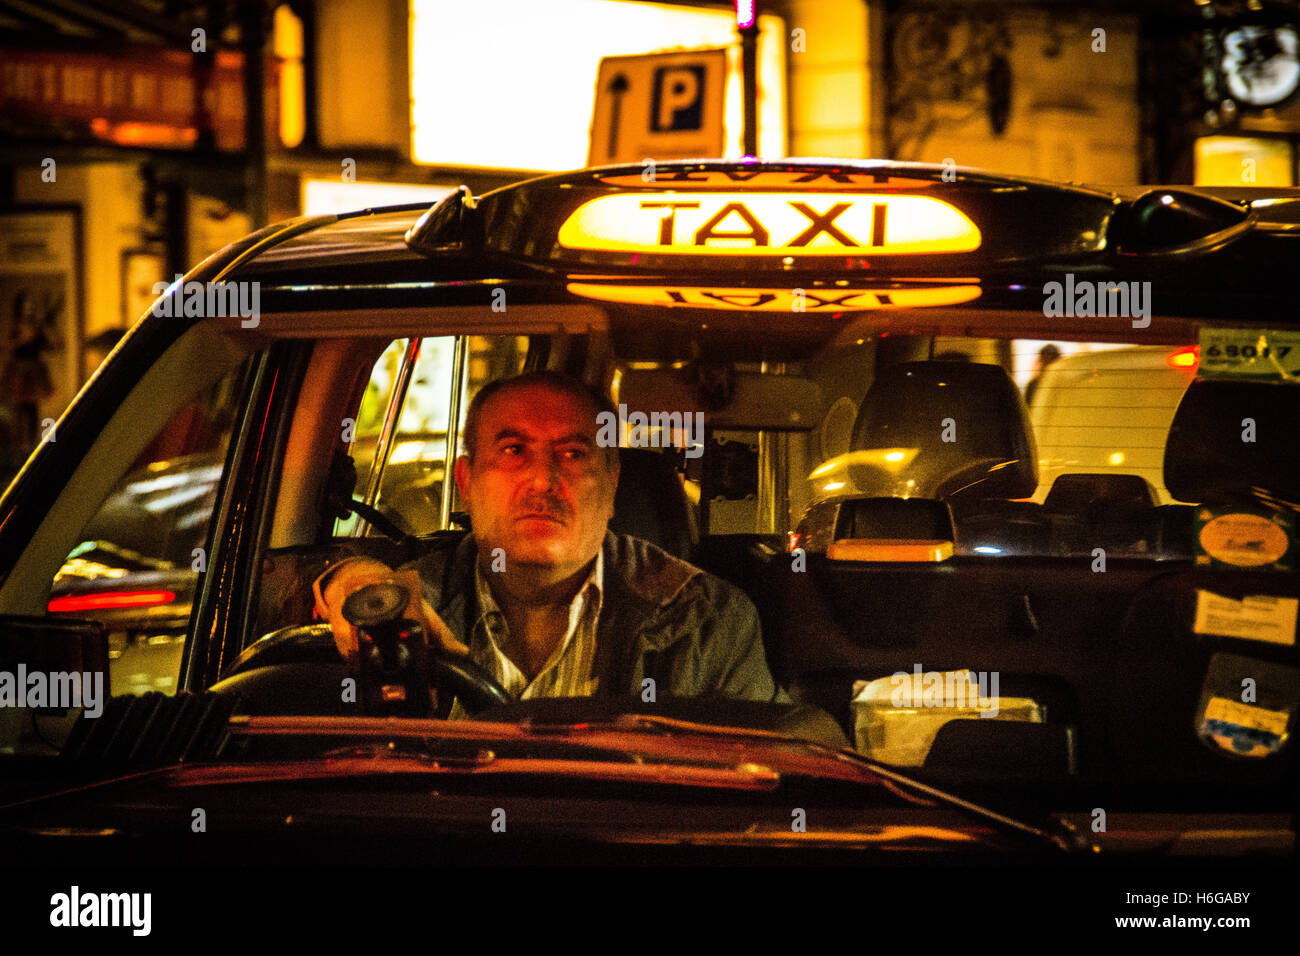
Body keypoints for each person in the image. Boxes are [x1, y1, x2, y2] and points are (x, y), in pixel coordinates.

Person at [313, 370, 787, 712]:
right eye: (514, 450)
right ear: (465, 480)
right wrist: (356, 582)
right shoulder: (412, 594)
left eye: (573, 453)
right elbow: (285, 582)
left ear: (612, 484)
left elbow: (775, 774)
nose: (543, 479)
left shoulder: (709, 620)